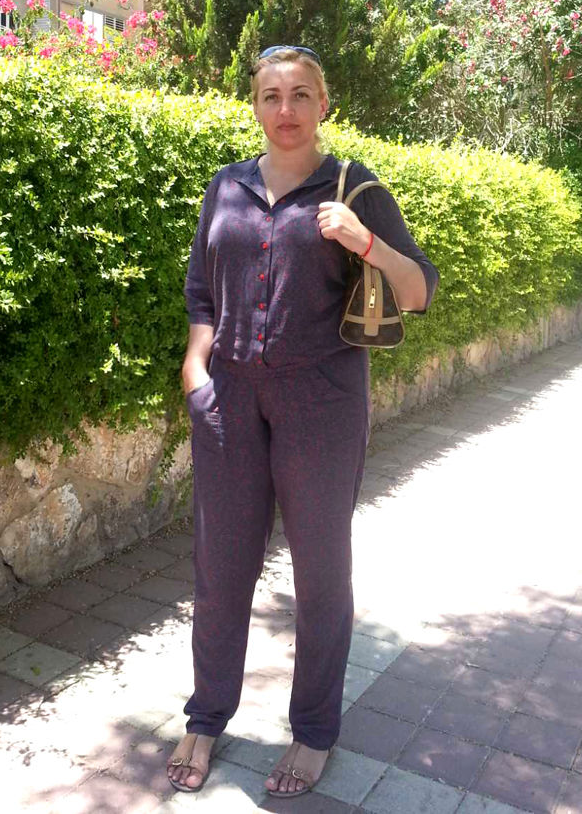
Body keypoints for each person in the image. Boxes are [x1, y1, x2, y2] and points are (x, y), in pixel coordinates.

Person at [166, 45, 439, 797]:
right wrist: (196, 368)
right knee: (220, 571)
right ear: (255, 104)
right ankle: (205, 718)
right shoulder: (225, 187)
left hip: (322, 403)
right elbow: (200, 290)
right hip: (228, 400)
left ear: (324, 104)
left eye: (300, 95)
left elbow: (419, 290)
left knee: (320, 575)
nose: (284, 110)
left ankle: (314, 731)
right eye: (270, 95)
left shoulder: (355, 187)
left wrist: (363, 239)